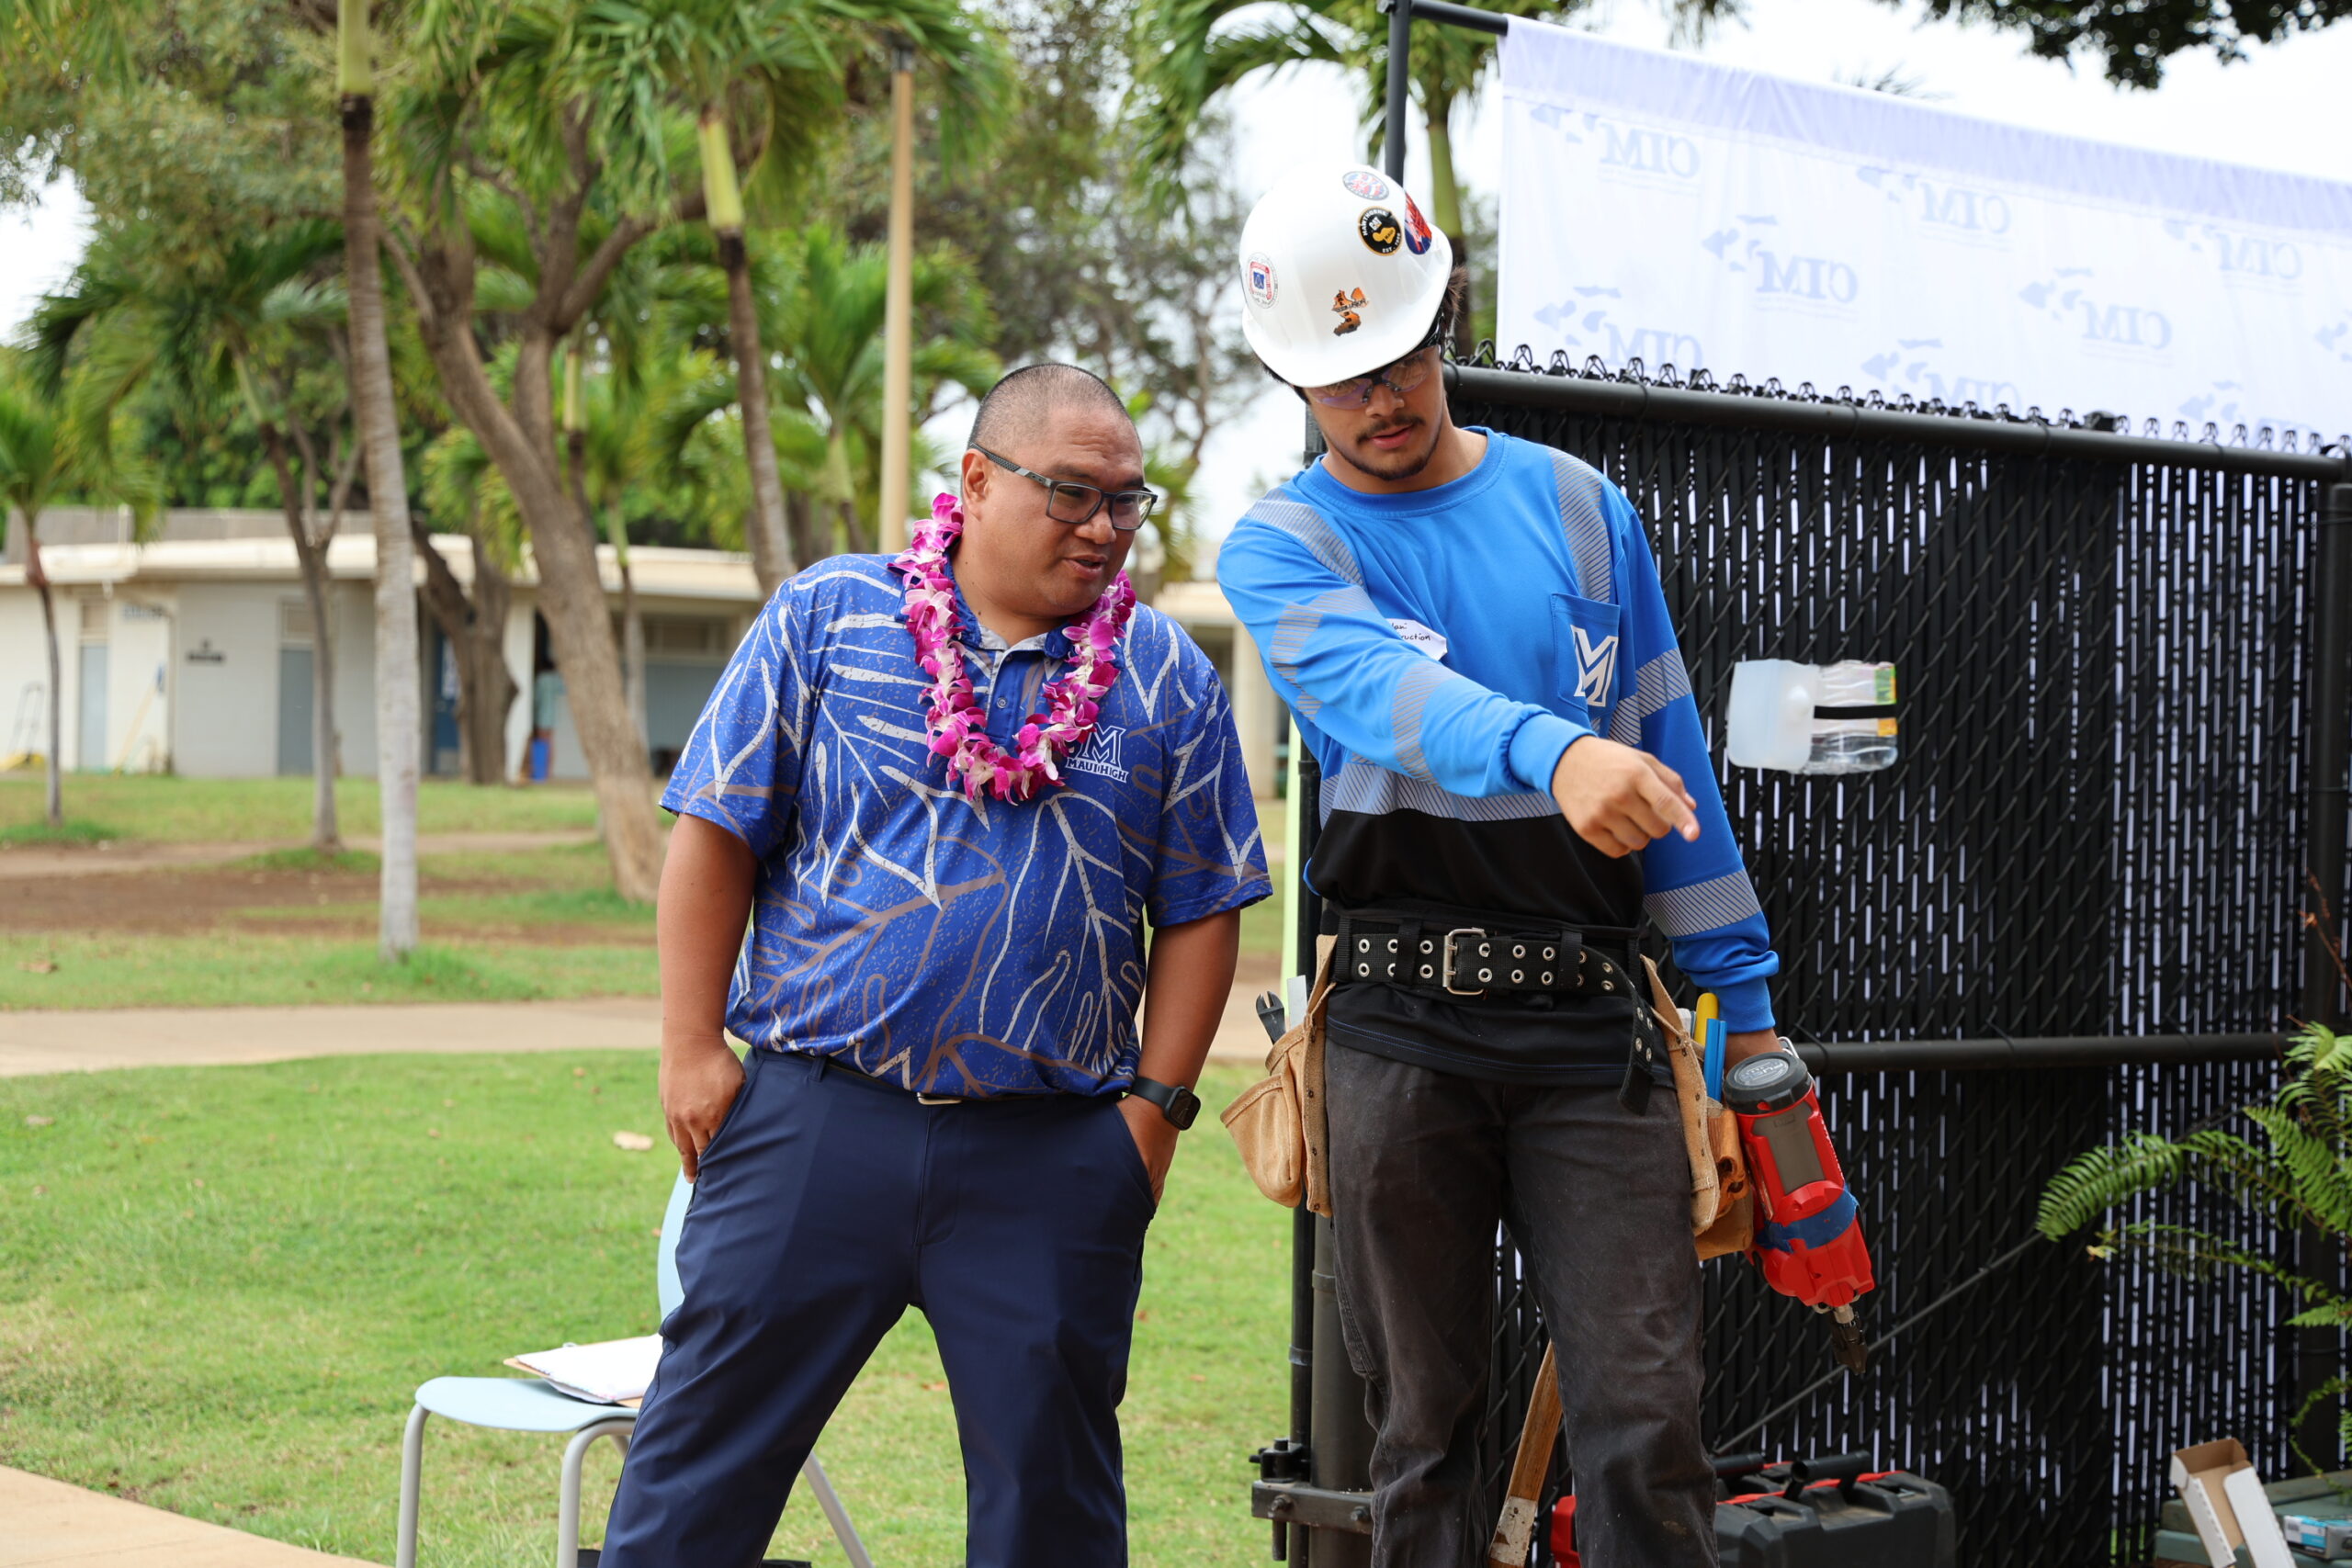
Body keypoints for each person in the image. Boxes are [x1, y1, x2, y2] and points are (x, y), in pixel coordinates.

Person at [598, 364, 1270, 1568]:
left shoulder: (1166, 676)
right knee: (696, 1475)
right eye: (1073, 493)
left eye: (1129, 501)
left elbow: (1204, 906)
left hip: (1051, 1155)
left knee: (1047, 1512)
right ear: (974, 479)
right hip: (814, 1121)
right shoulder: (827, 617)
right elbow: (713, 829)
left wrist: (1152, 1119)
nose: (1105, 527)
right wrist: (691, 1044)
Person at [1217, 164, 1785, 1567]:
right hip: (1400, 1034)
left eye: (1400, 356)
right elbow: (1386, 698)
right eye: (1340, 379)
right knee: (1421, 1432)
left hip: (1592, 1035)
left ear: (1444, 320)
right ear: (1293, 382)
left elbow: (1668, 759)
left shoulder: (1585, 507)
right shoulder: (1284, 546)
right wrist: (1554, 755)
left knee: (1648, 1420)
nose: (1380, 400)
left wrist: (1749, 1008)